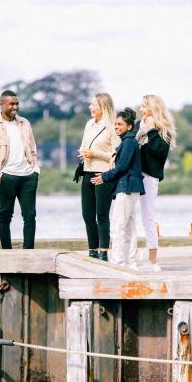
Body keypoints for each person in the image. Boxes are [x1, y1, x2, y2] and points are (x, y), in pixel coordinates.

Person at [0, 90, 40, 249]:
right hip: (6, 177)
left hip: (28, 176)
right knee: (5, 216)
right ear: (2, 104)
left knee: (30, 216)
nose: (15, 107)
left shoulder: (25, 123)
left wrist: (35, 170)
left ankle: (29, 251)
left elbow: (32, 148)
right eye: (11, 104)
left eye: (17, 103)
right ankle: (6, 252)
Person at [91, 108, 144, 268]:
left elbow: (122, 166)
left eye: (120, 124)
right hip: (131, 187)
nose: (116, 127)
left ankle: (118, 262)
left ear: (129, 126)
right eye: (115, 124)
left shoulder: (128, 142)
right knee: (129, 227)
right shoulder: (128, 141)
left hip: (127, 187)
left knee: (118, 226)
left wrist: (104, 176)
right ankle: (130, 261)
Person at [135, 94, 175, 272]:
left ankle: (152, 260)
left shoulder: (162, 130)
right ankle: (130, 257)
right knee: (127, 216)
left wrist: (150, 131)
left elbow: (158, 152)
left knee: (148, 217)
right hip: (132, 176)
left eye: (144, 106)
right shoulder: (139, 126)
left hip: (149, 177)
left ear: (153, 108)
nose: (141, 109)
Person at [79, 92, 120, 261]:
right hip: (87, 172)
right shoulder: (89, 124)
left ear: (103, 107)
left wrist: (95, 153)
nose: (90, 107)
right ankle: (92, 250)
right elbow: (83, 145)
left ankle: (104, 252)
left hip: (103, 174)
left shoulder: (112, 126)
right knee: (87, 214)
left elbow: (116, 154)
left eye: (93, 104)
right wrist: (83, 153)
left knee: (101, 215)